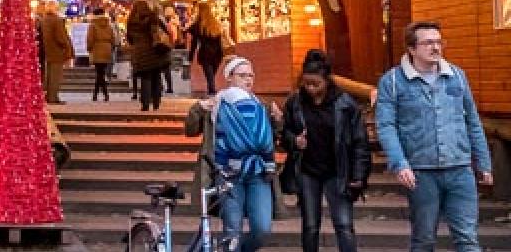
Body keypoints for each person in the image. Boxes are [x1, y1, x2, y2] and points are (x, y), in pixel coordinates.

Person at [375, 21, 493, 252]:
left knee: (468, 238)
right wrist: (400, 164)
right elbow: (386, 126)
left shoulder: (457, 76)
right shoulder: (393, 82)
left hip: (460, 168)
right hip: (420, 172)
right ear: (412, 48)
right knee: (424, 239)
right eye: (428, 43)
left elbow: (473, 122)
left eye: (439, 42)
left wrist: (484, 163)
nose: (436, 47)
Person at [280, 49, 370, 252]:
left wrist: (358, 174)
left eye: (315, 84)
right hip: (308, 171)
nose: (310, 88)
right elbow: (284, 133)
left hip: (338, 171)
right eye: (306, 83)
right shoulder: (295, 103)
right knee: (310, 226)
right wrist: (294, 141)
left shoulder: (345, 104)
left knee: (344, 225)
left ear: (327, 80)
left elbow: (359, 142)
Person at [185, 57, 275, 252]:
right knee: (232, 230)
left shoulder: (261, 106)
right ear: (229, 77)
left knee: (262, 229)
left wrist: (279, 121)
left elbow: (273, 139)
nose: (248, 80)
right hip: (227, 174)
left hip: (258, 173)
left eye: (251, 75)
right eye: (243, 75)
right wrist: (198, 109)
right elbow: (190, 129)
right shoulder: (216, 104)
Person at [126, 0, 169, 112]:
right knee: (156, 76)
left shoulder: (131, 21)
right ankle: (156, 102)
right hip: (154, 51)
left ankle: (145, 104)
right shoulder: (153, 17)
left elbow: (129, 38)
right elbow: (164, 31)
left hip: (140, 53)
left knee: (145, 78)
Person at [187, 1, 230, 95]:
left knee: (209, 75)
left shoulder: (198, 25)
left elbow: (194, 43)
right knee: (211, 75)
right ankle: (211, 90)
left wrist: (190, 57)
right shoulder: (215, 23)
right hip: (217, 53)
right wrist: (221, 53)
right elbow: (219, 41)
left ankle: (211, 92)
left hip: (205, 53)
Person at [40, 0, 74, 105]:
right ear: (55, 7)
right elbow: (61, 37)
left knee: (49, 76)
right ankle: (53, 98)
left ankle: (48, 97)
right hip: (57, 51)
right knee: (55, 76)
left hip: (47, 51)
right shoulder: (57, 20)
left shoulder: (44, 20)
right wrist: (67, 47)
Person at [87, 7, 118, 101]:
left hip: (97, 48)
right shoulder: (109, 25)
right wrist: (111, 47)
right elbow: (114, 38)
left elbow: (90, 38)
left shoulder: (92, 25)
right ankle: (99, 94)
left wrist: (89, 48)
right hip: (107, 49)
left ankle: (101, 94)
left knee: (99, 73)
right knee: (101, 72)